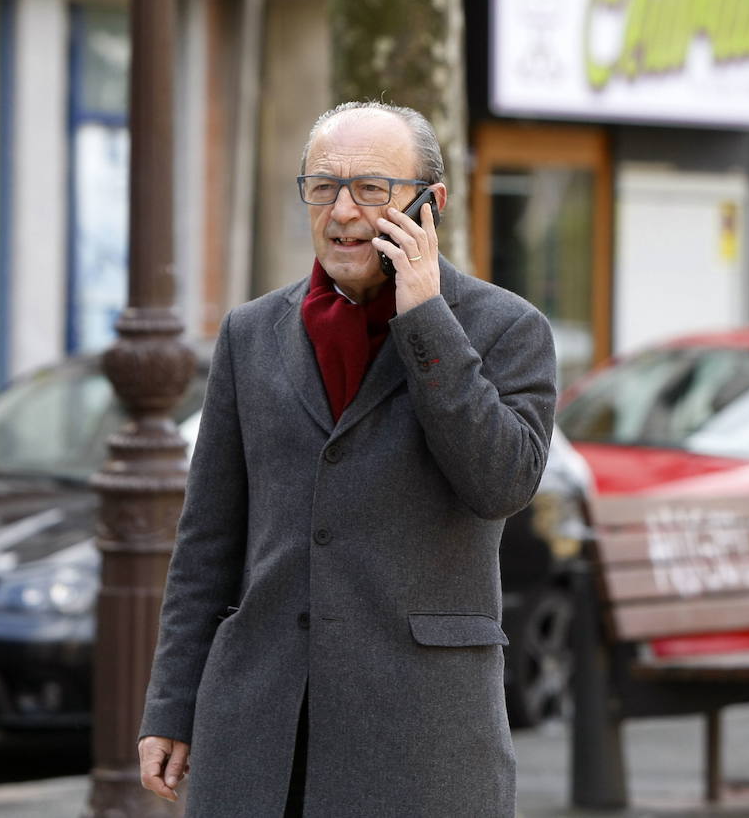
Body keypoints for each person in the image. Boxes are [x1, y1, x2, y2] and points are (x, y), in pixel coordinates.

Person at [138, 101, 557, 816]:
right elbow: (208, 536)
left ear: (431, 203)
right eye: (323, 186)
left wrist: (425, 319)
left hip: (420, 733)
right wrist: (171, 705)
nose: (342, 212)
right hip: (259, 727)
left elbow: (500, 482)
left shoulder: (506, 329)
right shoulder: (252, 334)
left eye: (370, 189)